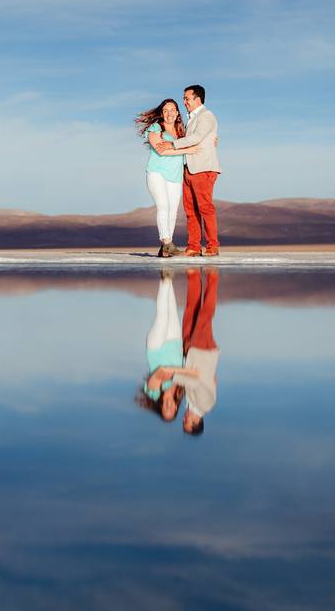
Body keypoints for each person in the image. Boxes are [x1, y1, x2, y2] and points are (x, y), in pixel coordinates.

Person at [154, 85, 221, 257]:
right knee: (190, 210)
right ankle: (194, 246)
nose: (184, 102)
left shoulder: (206, 116)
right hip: (188, 169)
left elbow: (197, 137)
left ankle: (212, 246)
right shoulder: (191, 118)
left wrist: (172, 144)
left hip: (202, 168)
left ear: (197, 99)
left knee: (205, 208)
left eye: (186, 98)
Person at [134, 99, 202, 258]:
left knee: (173, 212)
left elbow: (196, 140)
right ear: (161, 113)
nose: (169, 113)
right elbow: (161, 151)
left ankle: (166, 247)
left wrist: (210, 142)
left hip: (175, 176)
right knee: (163, 206)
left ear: (177, 113)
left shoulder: (182, 131)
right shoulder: (156, 128)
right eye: (166, 110)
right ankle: (167, 242)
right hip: (157, 173)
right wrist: (187, 150)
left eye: (172, 110)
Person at [136, 271, 198, 421]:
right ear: (176, 408)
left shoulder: (154, 392)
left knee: (162, 315)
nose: (169, 407)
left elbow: (161, 371)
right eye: (172, 410)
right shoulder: (180, 391)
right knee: (172, 309)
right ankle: (168, 276)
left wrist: (183, 372)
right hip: (175, 343)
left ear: (161, 407)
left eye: (165, 409)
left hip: (156, 347)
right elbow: (195, 375)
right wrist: (184, 372)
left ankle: (164, 278)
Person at [173, 267, 220, 436]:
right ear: (196, 421)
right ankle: (212, 277)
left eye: (184, 421)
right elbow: (196, 380)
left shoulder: (191, 403)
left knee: (190, 311)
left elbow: (211, 380)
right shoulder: (205, 405)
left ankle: (193, 276)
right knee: (204, 316)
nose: (184, 418)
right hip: (203, 352)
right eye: (187, 422)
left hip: (191, 351)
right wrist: (171, 376)